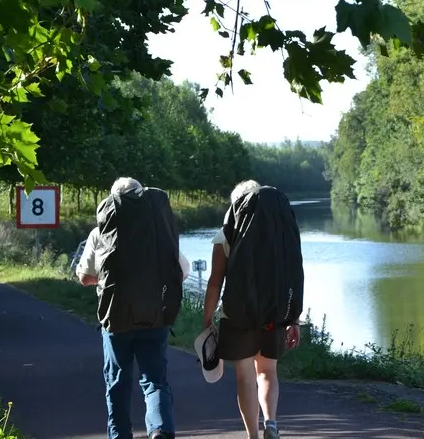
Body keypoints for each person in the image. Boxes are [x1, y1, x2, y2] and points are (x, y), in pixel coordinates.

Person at [76, 177, 189, 439]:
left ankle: (119, 435)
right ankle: (160, 428)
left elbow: (84, 277)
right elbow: (182, 271)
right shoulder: (159, 232)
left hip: (116, 316)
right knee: (155, 379)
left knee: (117, 381)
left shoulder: (100, 232)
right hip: (155, 316)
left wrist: (105, 280)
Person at [202, 180, 304, 439]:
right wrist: (294, 319)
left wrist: (207, 319)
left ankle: (253, 436)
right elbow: (294, 276)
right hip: (274, 316)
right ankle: (271, 423)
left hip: (238, 317)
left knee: (246, 378)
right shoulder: (282, 232)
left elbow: (215, 282)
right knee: (268, 373)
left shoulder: (226, 234)